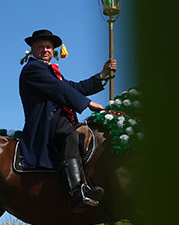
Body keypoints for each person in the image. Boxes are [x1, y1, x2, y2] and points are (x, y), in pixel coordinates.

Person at [18, 29, 117, 211]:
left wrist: (102, 75)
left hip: (61, 117)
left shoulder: (51, 71)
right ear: (32, 49)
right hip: (45, 122)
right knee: (68, 134)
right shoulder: (32, 69)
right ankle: (78, 192)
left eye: (49, 47)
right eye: (41, 47)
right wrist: (88, 104)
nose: (46, 50)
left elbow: (74, 87)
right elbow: (59, 89)